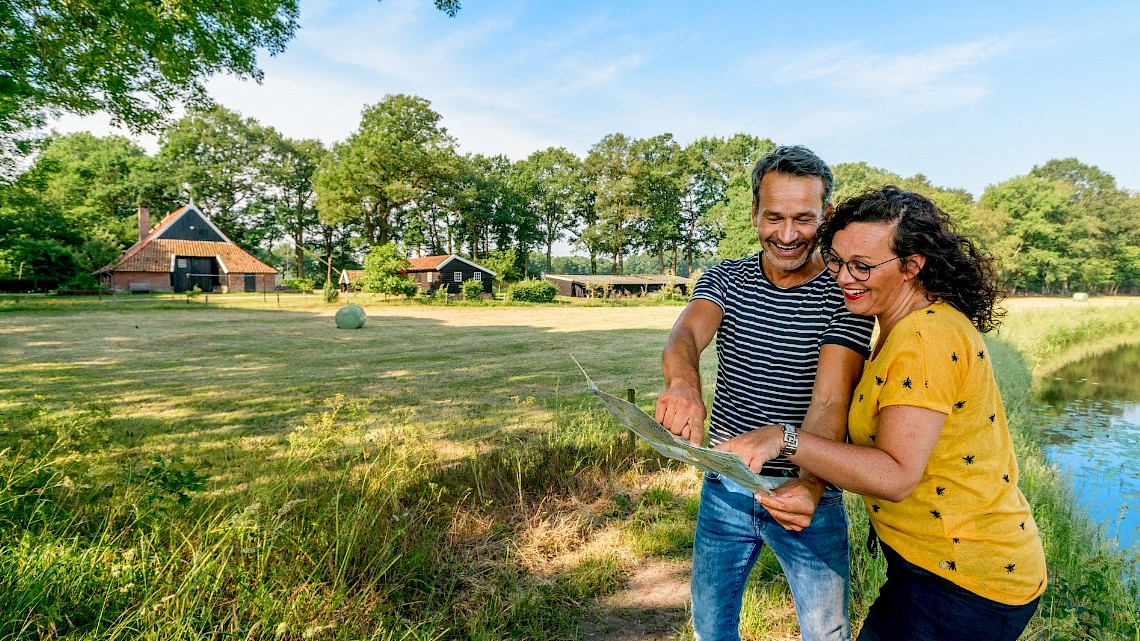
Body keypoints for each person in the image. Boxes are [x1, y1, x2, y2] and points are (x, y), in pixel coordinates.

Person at [720, 187, 1047, 641]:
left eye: (863, 266)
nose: (843, 278)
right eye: (835, 261)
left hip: (967, 583)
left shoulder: (924, 340)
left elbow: (895, 475)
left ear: (913, 265)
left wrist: (783, 437)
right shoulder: (905, 326)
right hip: (933, 569)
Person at [655, 145, 876, 641]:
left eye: (804, 218)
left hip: (808, 492)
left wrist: (813, 487)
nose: (788, 234)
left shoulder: (845, 295)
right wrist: (685, 386)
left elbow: (830, 403)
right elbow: (685, 337)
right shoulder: (725, 278)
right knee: (711, 626)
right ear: (754, 213)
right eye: (773, 217)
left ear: (827, 216)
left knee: (826, 633)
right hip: (726, 488)